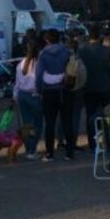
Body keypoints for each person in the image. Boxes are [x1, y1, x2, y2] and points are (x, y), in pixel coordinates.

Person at [35, 29, 76, 161]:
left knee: (50, 123)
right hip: (65, 90)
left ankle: (49, 153)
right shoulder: (67, 52)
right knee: (67, 122)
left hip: (48, 91)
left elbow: (39, 75)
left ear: (47, 40)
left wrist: (39, 90)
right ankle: (70, 152)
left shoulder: (43, 54)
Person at [80, 30, 110, 151]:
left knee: (91, 116)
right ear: (100, 37)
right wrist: (109, 73)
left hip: (89, 87)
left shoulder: (82, 51)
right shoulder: (107, 50)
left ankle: (92, 144)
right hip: (106, 87)